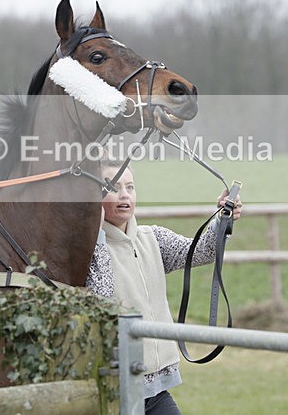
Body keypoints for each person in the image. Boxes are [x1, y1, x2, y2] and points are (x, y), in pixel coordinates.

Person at [86, 160, 242, 414]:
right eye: (113, 188)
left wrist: (222, 222)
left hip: (156, 390)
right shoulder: (90, 249)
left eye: (130, 187)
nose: (124, 195)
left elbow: (201, 251)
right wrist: (96, 235)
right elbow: (101, 296)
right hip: (114, 389)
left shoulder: (153, 238)